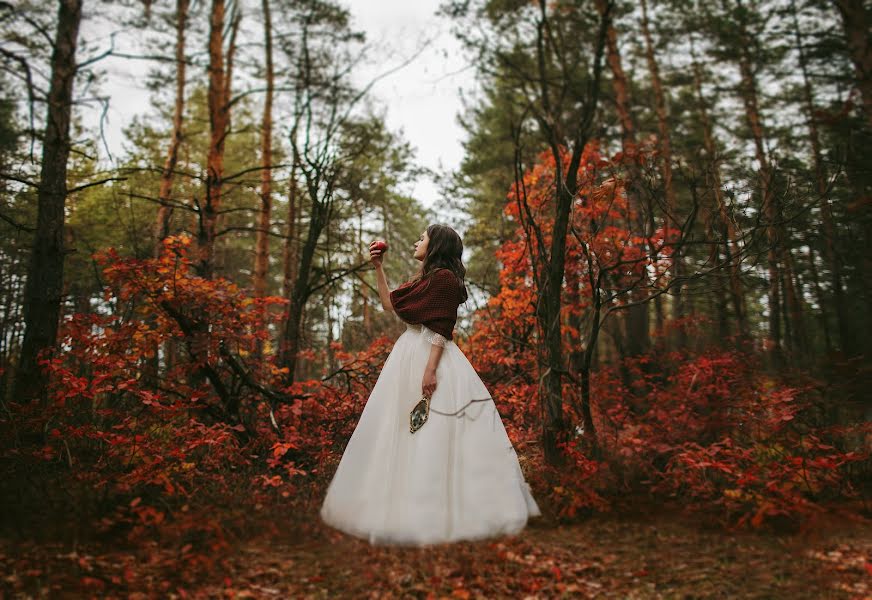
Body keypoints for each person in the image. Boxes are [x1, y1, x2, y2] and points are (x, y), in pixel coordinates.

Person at [318, 224, 541, 547]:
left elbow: (441, 326)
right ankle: (403, 511)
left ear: (435, 245)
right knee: (400, 431)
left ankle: (439, 514)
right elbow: (388, 305)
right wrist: (378, 269)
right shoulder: (424, 281)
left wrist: (431, 370)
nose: (416, 240)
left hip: (430, 358)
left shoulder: (445, 281)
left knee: (434, 432)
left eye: (421, 237)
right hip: (408, 355)